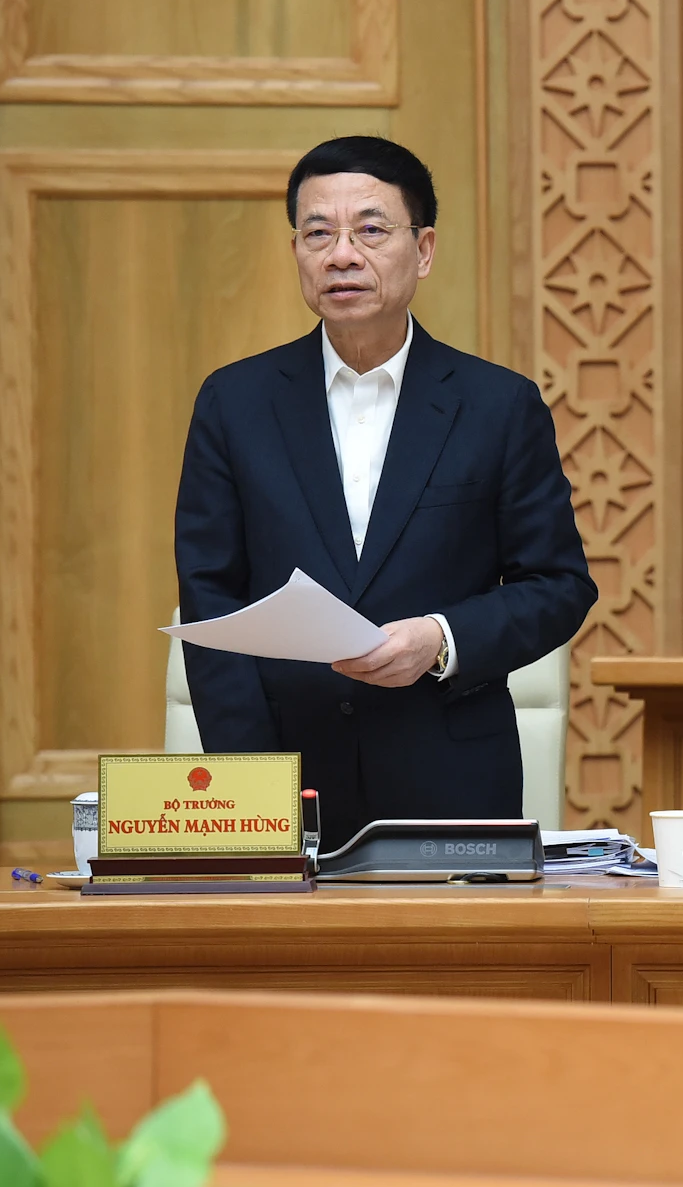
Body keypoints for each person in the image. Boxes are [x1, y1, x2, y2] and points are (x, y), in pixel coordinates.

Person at [175, 136, 597, 848]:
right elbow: (213, 596)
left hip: (452, 788)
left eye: (370, 229)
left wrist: (441, 637)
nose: (342, 254)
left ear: (424, 249)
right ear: (297, 253)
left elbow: (558, 585)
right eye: (318, 233)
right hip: (287, 785)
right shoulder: (234, 403)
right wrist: (255, 787)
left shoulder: (498, 406)